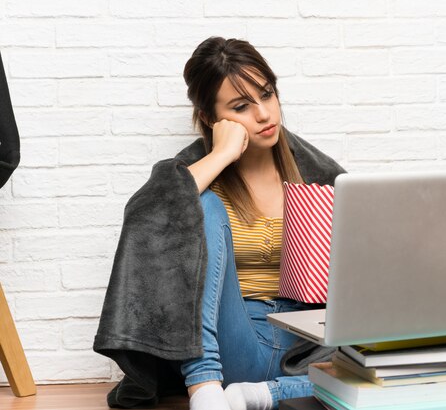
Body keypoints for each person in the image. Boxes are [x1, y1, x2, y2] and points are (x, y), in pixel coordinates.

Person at [94, 37, 345, 410]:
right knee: (201, 204)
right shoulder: (193, 172)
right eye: (242, 106)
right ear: (213, 118)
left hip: (309, 345)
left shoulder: (316, 172)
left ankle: (261, 396)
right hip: (235, 342)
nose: (264, 114)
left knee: (391, 371)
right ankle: (205, 389)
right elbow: (147, 216)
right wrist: (223, 153)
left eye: (268, 94)